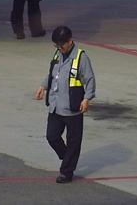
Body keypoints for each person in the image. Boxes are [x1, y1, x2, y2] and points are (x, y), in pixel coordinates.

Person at [35, 25, 95, 183]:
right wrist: (43, 86)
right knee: (52, 136)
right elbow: (52, 74)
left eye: (61, 45)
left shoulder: (81, 57)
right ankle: (68, 156)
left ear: (70, 41)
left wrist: (87, 98)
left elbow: (89, 79)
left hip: (73, 107)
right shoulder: (58, 53)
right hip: (56, 105)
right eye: (56, 46)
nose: (59, 48)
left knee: (74, 140)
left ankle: (66, 172)